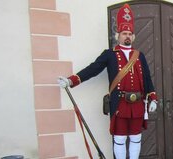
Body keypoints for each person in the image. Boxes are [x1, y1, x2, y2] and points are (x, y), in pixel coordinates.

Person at [57, 4, 158, 159]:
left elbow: (147, 78)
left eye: (130, 33)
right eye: (124, 33)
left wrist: (152, 98)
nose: (127, 36)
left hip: (138, 103)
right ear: (118, 35)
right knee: (119, 139)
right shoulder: (109, 54)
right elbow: (93, 69)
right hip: (120, 103)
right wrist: (72, 81)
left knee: (136, 138)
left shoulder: (140, 55)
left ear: (133, 36)